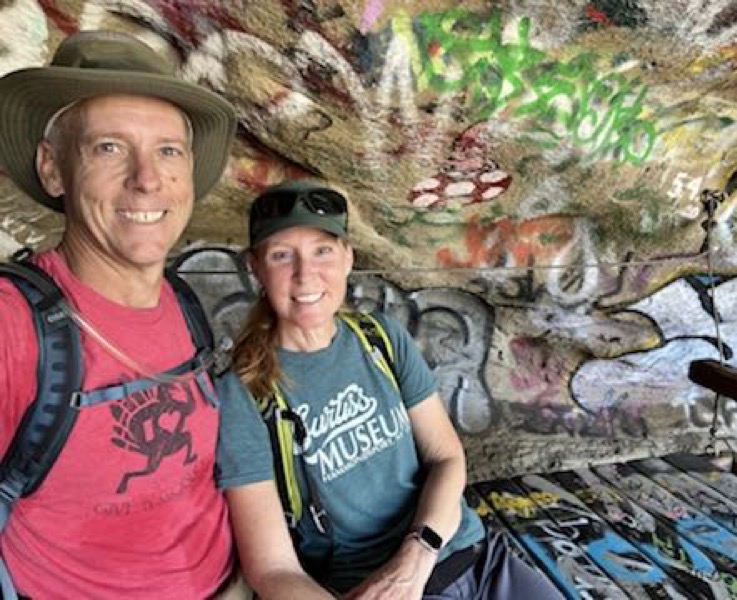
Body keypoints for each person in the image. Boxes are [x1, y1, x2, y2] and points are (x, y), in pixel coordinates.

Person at [0, 30, 256, 598]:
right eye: (109, 147)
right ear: (52, 169)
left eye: (168, 150)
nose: (147, 178)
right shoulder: (14, 328)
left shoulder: (184, 303)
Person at [220, 179, 565, 599]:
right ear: (255, 267)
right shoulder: (245, 390)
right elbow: (272, 569)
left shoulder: (378, 337)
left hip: (468, 552)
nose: (305, 274)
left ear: (348, 257)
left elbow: (446, 455)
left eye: (322, 251)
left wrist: (418, 554)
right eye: (281, 256)